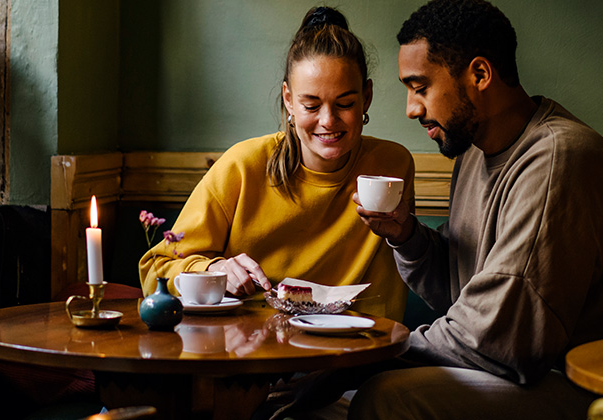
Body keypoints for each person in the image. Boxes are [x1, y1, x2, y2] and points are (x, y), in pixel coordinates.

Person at [347, 0, 603, 418]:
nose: (411, 109)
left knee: (388, 396)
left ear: (480, 74)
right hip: (513, 375)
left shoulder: (560, 157)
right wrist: (406, 237)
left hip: (585, 388)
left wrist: (365, 355)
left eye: (420, 88)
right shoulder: (473, 152)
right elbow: (466, 297)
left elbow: (501, 337)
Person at [139, 6, 415, 322]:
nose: (328, 121)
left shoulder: (393, 166)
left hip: (357, 355)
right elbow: (155, 269)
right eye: (311, 105)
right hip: (251, 354)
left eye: (345, 104)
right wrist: (212, 269)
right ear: (288, 99)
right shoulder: (242, 167)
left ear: (366, 96)